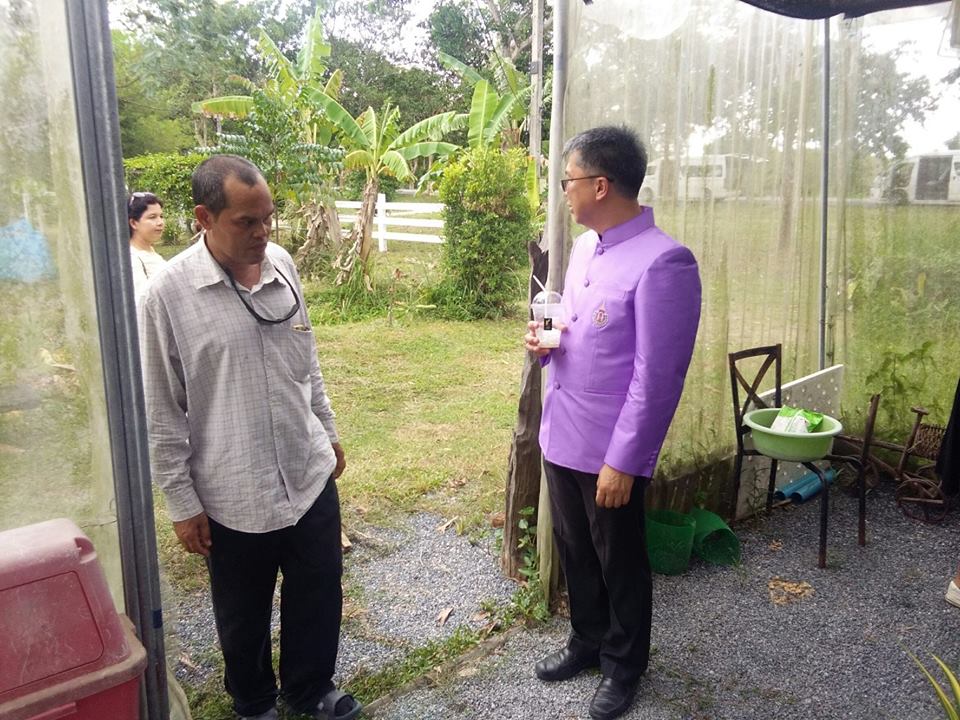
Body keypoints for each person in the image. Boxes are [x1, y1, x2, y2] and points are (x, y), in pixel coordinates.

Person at [138, 155, 361, 720]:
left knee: (319, 587)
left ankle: (310, 688)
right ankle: (255, 702)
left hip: (306, 469)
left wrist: (327, 430)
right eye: (247, 222)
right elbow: (161, 412)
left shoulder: (281, 263)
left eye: (268, 218)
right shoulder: (167, 295)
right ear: (204, 218)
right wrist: (182, 504)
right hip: (233, 490)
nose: (263, 232)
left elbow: (306, 359)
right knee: (243, 610)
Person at [524, 126, 701, 720]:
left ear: (600, 185)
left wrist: (624, 460)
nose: (564, 191)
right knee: (576, 549)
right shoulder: (584, 248)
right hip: (562, 432)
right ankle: (587, 639)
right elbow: (574, 323)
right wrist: (547, 340)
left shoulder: (664, 261)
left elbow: (658, 377)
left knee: (619, 560)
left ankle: (625, 665)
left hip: (609, 450)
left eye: (568, 179)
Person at [128, 191, 167, 306]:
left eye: (161, 216)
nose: (160, 222)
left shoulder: (151, 252)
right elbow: (141, 304)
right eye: (152, 217)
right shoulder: (133, 259)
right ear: (134, 223)